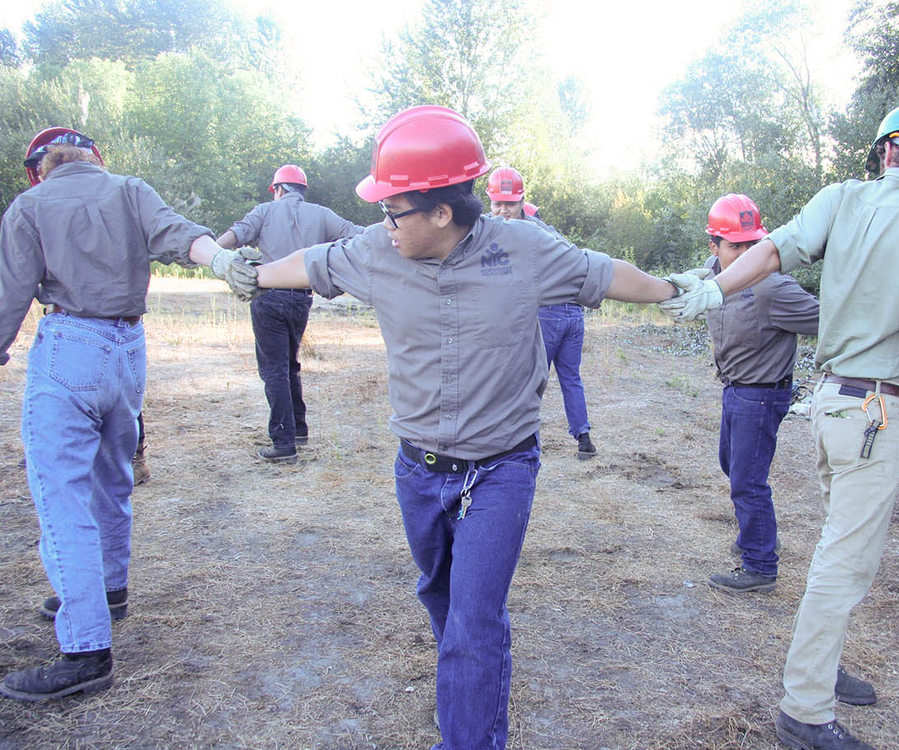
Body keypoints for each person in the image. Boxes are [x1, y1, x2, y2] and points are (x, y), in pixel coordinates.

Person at [233, 105, 678, 749]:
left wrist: (679, 290)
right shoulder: (375, 251)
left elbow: (602, 275)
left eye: (394, 210)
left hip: (501, 469)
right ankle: (467, 688)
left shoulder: (523, 250)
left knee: (474, 625)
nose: (383, 224)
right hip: (418, 470)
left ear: (442, 210)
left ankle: (469, 733)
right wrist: (247, 273)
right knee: (439, 596)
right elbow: (312, 262)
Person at [661, 102, 899, 750]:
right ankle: (804, 710)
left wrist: (717, 287)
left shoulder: (840, 198)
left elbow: (772, 250)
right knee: (842, 561)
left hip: (829, 407)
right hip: (872, 412)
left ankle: (819, 667)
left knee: (837, 546)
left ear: (884, 152)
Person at [0, 127, 255, 702]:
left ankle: (85, 647)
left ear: (39, 168)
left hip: (69, 345)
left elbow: (10, 294)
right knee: (111, 481)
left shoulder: (30, 206)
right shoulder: (129, 188)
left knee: (60, 495)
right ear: (96, 158)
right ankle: (107, 590)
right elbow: (182, 237)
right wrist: (223, 262)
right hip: (128, 352)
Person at [696, 194, 819, 595]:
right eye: (736, 246)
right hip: (735, 390)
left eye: (754, 244)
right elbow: (691, 284)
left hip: (762, 395)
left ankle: (760, 564)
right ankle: (760, 531)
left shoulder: (773, 288)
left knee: (748, 481)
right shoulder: (712, 277)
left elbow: (829, 319)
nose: (748, 254)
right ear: (713, 245)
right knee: (731, 464)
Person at [216, 165, 362, 462]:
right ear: (302, 191)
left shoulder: (266, 211)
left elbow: (236, 235)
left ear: (278, 189)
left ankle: (283, 444)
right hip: (302, 300)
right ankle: (298, 428)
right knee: (289, 363)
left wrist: (213, 256)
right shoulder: (321, 214)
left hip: (268, 297)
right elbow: (356, 235)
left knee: (274, 369)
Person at [486, 166, 597, 459]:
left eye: (509, 204)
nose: (503, 211)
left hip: (550, 315)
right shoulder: (547, 232)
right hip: (574, 315)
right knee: (570, 378)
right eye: (498, 204)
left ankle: (522, 441)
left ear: (522, 204)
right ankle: (584, 438)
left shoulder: (530, 234)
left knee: (529, 378)